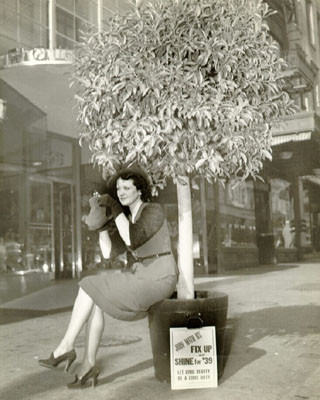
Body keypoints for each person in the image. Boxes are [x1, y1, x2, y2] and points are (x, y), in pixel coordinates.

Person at [38, 166, 179, 389]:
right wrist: (102, 226)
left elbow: (133, 239)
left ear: (139, 190)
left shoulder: (153, 211)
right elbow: (108, 253)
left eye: (126, 187)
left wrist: (113, 207)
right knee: (94, 299)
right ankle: (88, 366)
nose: (120, 192)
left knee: (88, 285)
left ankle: (66, 347)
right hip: (142, 276)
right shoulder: (128, 219)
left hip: (160, 277)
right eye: (118, 188)